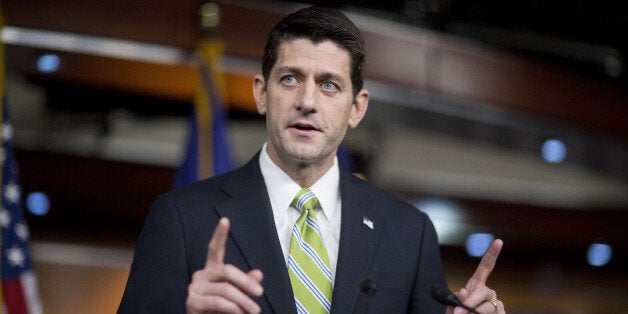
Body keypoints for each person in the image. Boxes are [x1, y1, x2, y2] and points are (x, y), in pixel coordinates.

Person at [118, 6, 506, 314]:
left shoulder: (409, 233)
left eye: (329, 85)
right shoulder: (181, 218)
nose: (306, 101)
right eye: (289, 79)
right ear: (261, 93)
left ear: (356, 108)